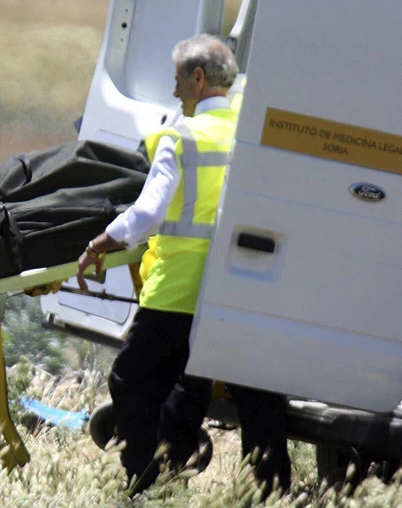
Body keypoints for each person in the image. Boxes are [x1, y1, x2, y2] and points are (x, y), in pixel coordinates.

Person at [76, 34, 290, 495]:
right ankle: (271, 493)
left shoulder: (182, 137)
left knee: (132, 380)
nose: (174, 92)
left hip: (179, 290)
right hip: (241, 286)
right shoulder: (254, 132)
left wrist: (101, 242)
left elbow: (150, 212)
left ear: (197, 78)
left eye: (177, 80)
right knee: (253, 392)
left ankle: (144, 482)